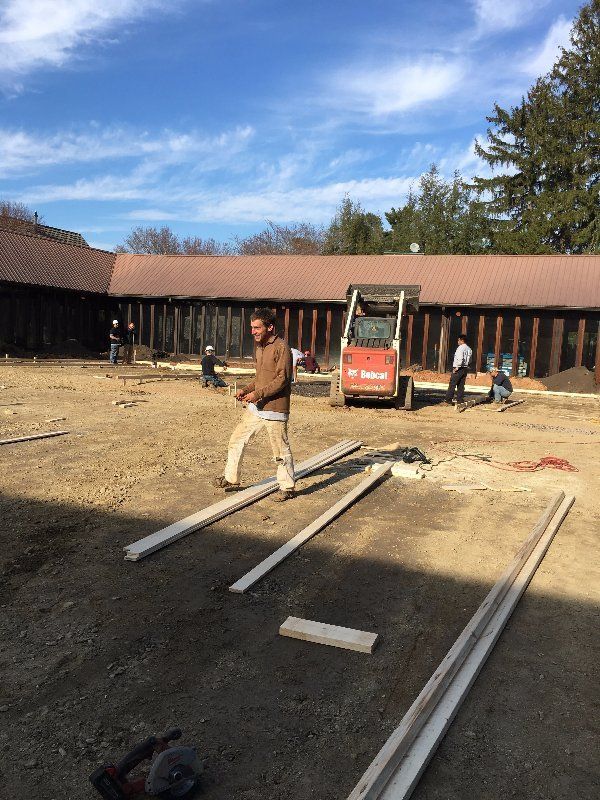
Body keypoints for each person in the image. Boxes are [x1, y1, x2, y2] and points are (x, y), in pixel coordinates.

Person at [214, 308, 295, 501]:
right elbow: (260, 378)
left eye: (257, 328)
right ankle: (231, 478)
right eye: (252, 328)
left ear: (270, 327)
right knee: (237, 439)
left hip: (275, 409)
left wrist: (256, 394)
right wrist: (246, 389)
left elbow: (282, 379)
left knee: (280, 451)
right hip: (257, 408)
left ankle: (288, 487)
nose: (253, 332)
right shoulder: (259, 347)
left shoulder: (281, 348)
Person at [445, 334, 472, 406]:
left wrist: (457, 368)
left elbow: (460, 358)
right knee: (461, 385)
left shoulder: (460, 348)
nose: (458, 341)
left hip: (459, 368)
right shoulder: (469, 349)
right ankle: (460, 400)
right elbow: (469, 360)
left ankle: (448, 400)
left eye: (458, 340)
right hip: (465, 368)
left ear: (461, 340)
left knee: (452, 384)